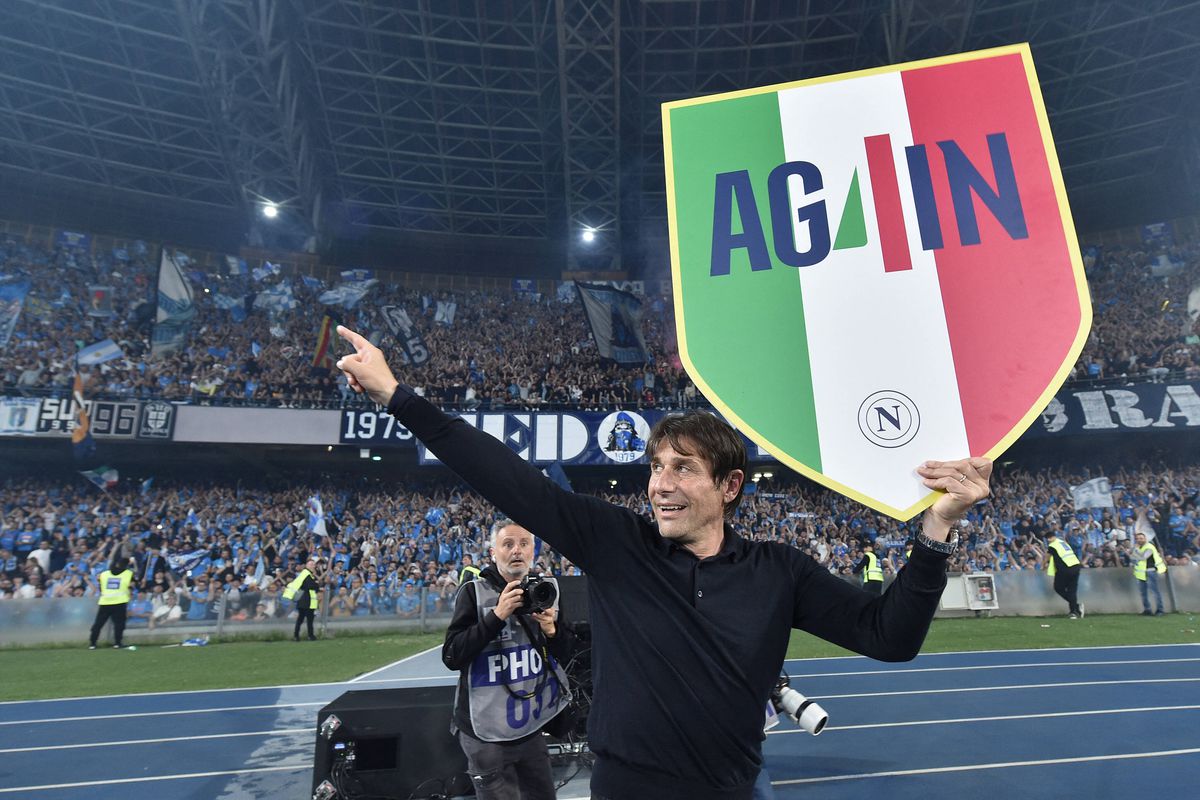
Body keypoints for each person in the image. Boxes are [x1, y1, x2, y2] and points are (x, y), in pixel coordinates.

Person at [333, 325, 991, 800]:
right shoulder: (618, 544)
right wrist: (396, 395)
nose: (660, 484)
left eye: (682, 468)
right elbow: (506, 477)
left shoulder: (779, 571)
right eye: (655, 467)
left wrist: (937, 528)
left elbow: (889, 637)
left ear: (729, 485)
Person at [443, 519, 574, 799]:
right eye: (508, 544)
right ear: (493, 553)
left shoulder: (546, 589)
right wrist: (496, 616)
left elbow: (566, 655)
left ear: (533, 552)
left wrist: (551, 630)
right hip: (485, 732)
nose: (517, 550)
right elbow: (452, 655)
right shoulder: (474, 592)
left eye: (524, 544)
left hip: (530, 725)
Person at [88, 555, 134, 649]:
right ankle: (117, 643)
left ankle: (92, 643)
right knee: (119, 624)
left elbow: (100, 586)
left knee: (98, 623)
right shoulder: (128, 573)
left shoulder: (104, 574)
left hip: (105, 602)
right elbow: (132, 585)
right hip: (120, 602)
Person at [1044, 529, 1084, 619]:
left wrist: (1043, 566)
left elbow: (1047, 557)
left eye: (1048, 539)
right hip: (1076, 566)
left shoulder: (1052, 545)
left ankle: (1076, 607)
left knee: (1058, 588)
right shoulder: (1063, 543)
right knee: (1072, 590)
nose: (1048, 541)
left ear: (1049, 538)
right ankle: (1074, 611)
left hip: (1065, 568)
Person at [284, 558, 322, 641]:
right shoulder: (306, 574)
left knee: (302, 619)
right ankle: (308, 635)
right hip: (306, 600)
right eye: (311, 564)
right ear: (306, 565)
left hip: (306, 600)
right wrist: (316, 584)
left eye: (313, 564)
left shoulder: (306, 574)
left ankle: (298, 635)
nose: (313, 566)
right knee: (307, 619)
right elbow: (309, 586)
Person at [1132, 531, 1167, 616]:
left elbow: (1143, 557)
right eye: (1137, 539)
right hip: (1141, 573)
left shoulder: (1149, 547)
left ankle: (1160, 610)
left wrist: (1136, 551)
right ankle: (1147, 609)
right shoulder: (1140, 548)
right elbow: (1133, 557)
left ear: (1145, 539)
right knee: (1143, 592)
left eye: (1141, 538)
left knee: (1154, 591)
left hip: (1150, 571)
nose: (1139, 540)